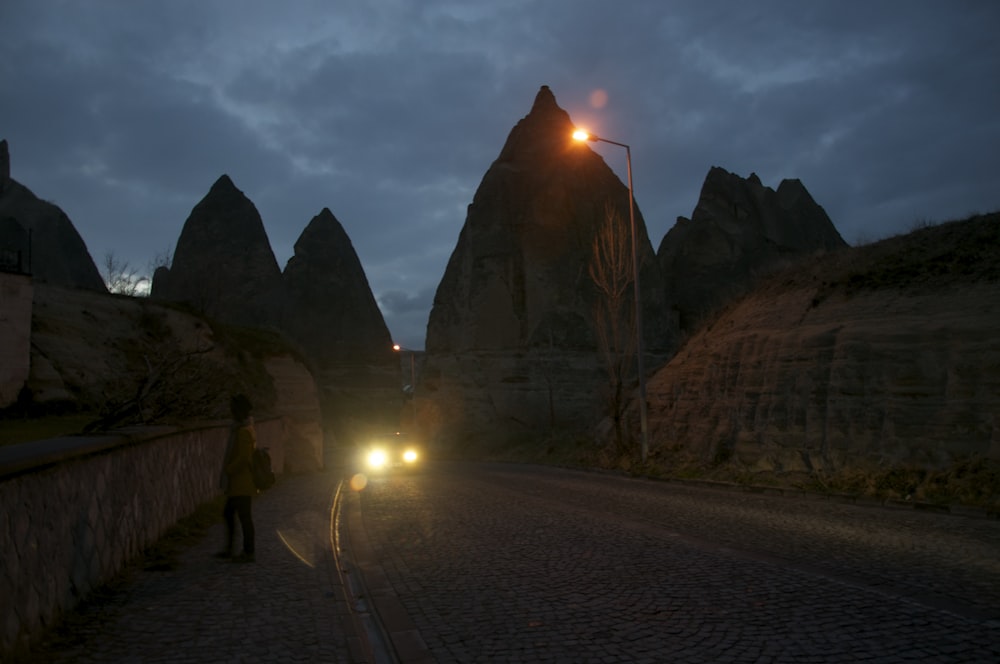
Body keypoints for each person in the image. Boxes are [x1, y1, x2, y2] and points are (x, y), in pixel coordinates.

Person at [217, 393, 256, 562]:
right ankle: (233, 549)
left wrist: (228, 469)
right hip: (238, 483)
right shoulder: (242, 429)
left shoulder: (243, 432)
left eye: (233, 408)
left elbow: (244, 457)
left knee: (243, 517)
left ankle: (247, 552)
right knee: (232, 514)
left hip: (242, 482)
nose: (231, 411)